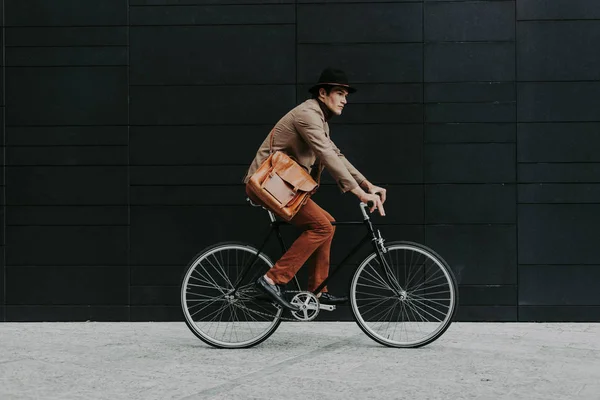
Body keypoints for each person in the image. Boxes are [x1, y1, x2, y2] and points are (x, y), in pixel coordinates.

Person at [243, 67, 387, 310]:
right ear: (323, 93)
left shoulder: (319, 119)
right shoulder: (307, 115)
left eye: (346, 95)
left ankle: (317, 291)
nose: (345, 100)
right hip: (266, 182)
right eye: (340, 93)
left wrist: (367, 184)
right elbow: (326, 155)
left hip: (281, 184)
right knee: (321, 226)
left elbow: (335, 155)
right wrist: (359, 193)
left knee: (327, 225)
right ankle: (271, 279)